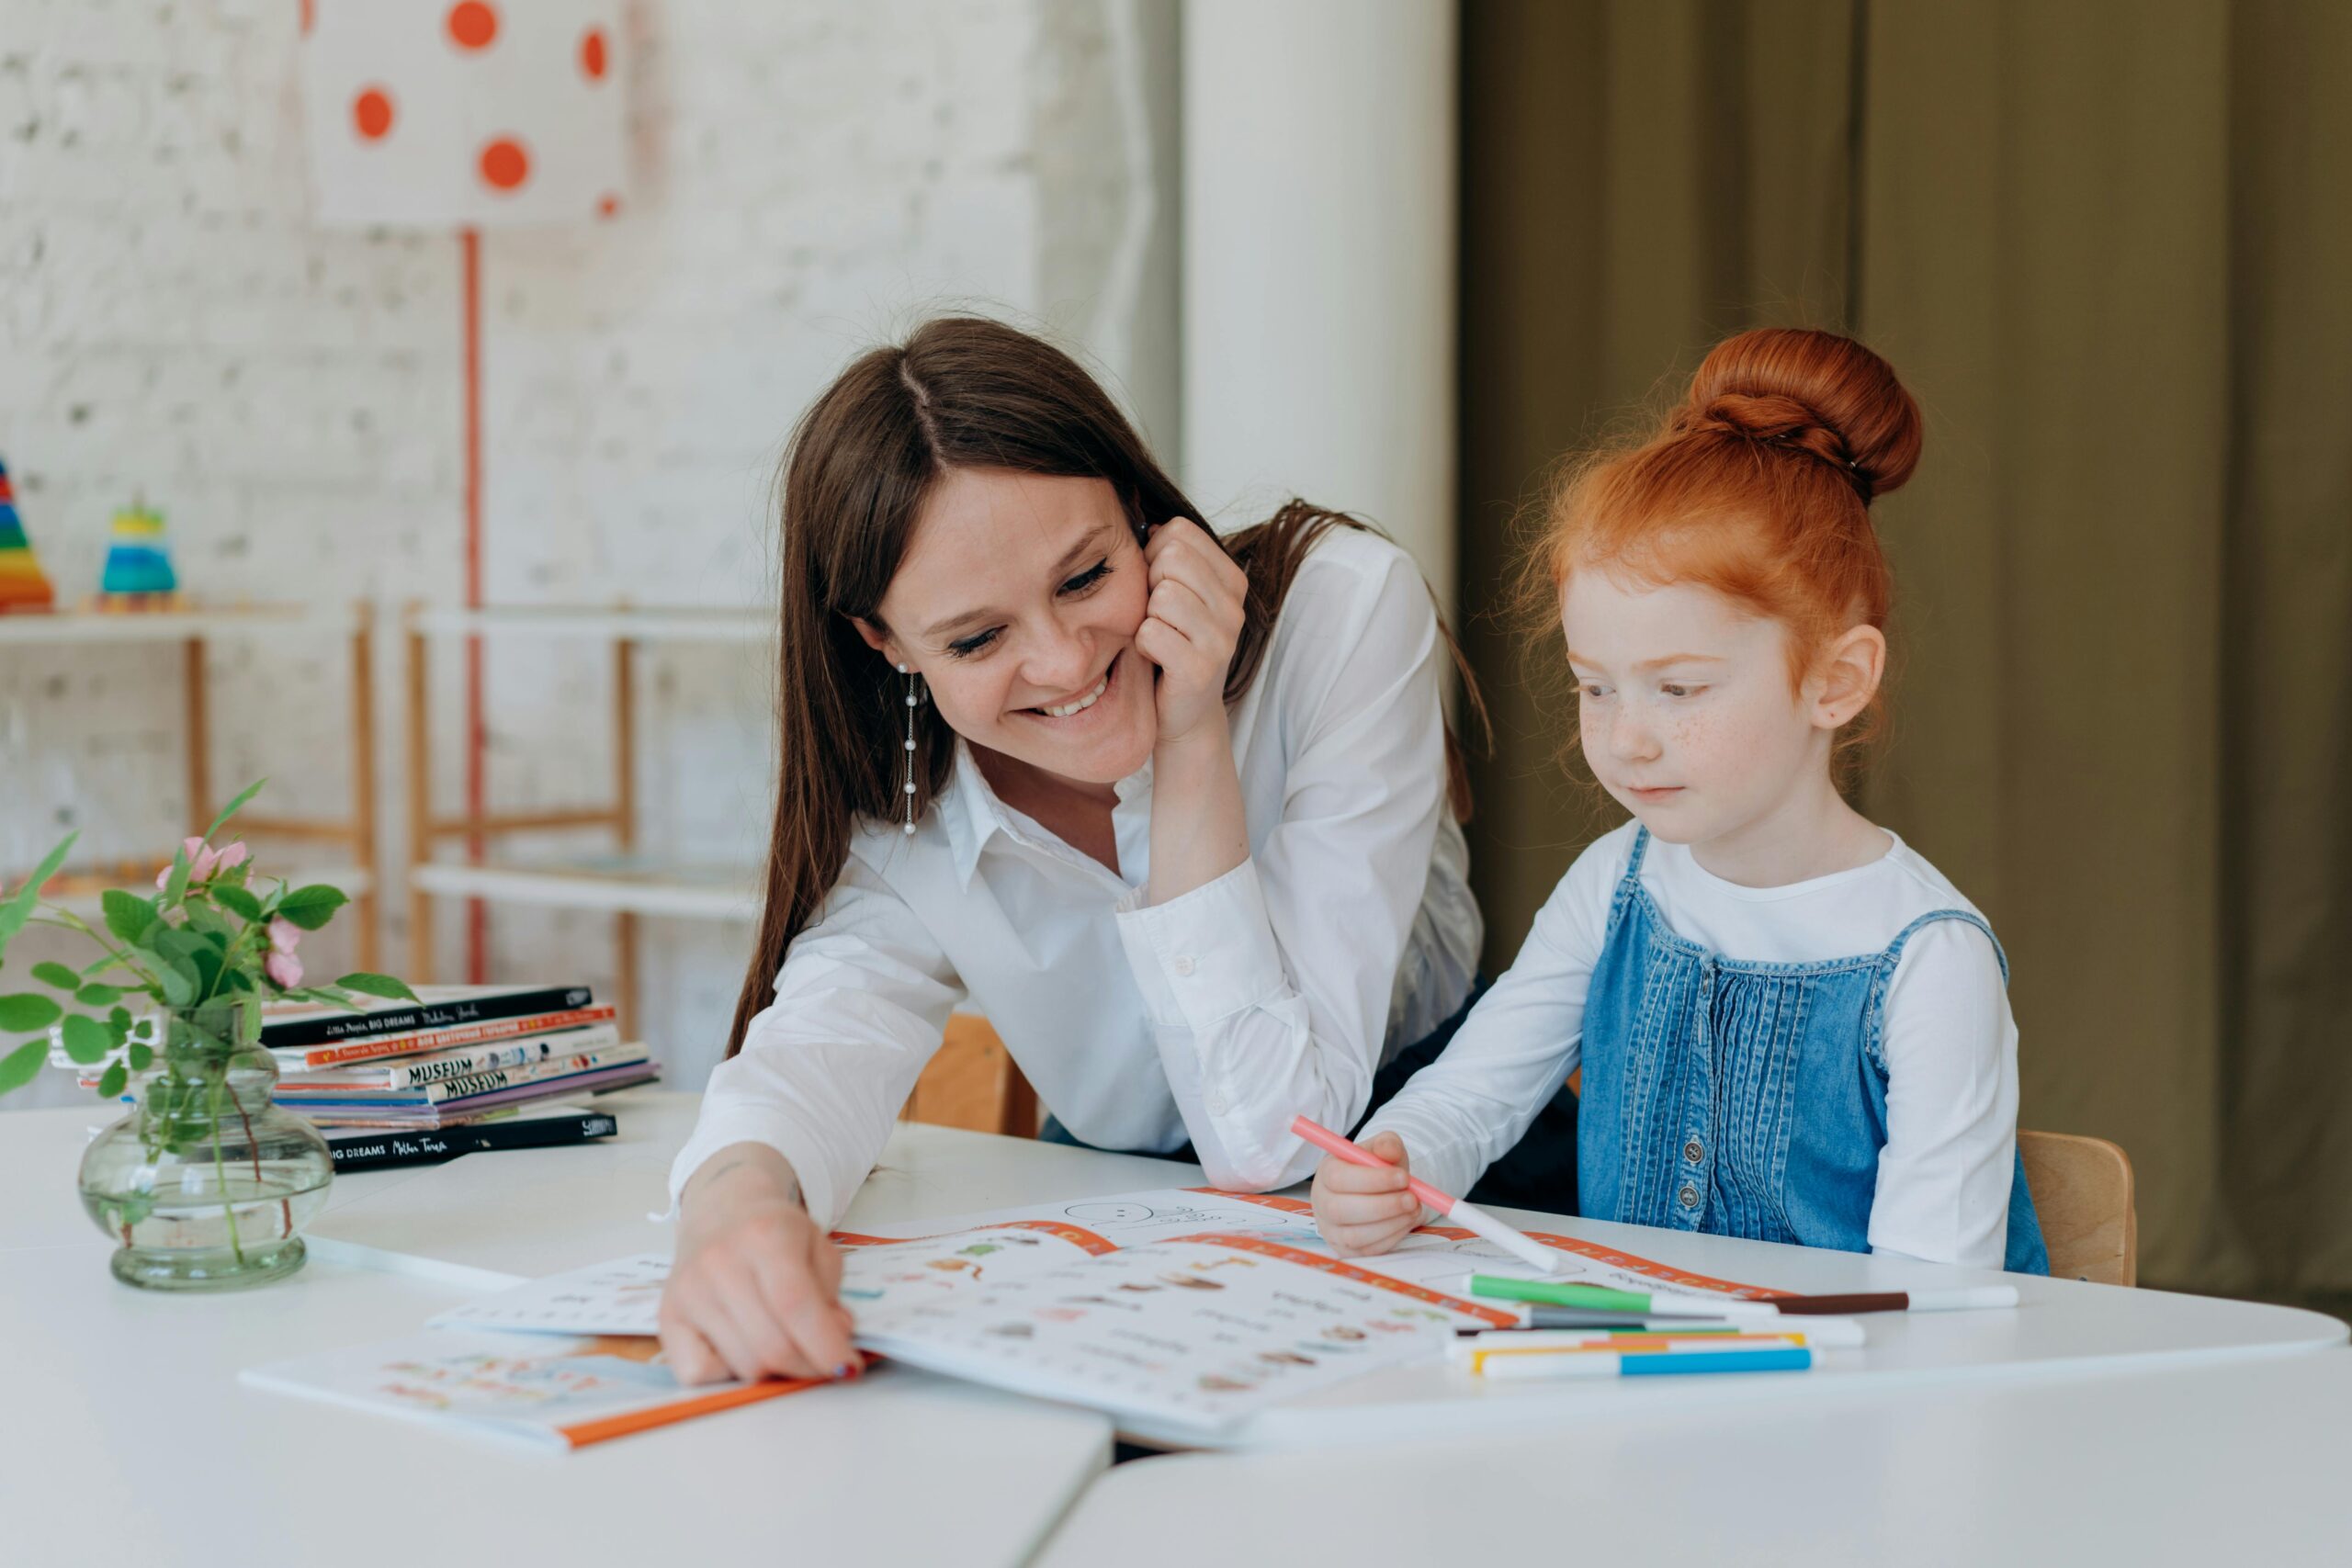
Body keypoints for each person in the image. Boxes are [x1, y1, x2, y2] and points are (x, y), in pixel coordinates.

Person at [659, 316, 1487, 1383]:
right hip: (1121, 1237)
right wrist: (730, 1213)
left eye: (1086, 577)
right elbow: (818, 1047)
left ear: (1139, 510)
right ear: (885, 644)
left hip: (1428, 1182)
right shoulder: (902, 809)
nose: (1060, 661)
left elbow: (1276, 1141)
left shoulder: (1338, 611)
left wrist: (1189, 738)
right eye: (975, 639)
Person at [1313, 327, 2050, 1276]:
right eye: (1595, 686)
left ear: (1834, 680)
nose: (1626, 738)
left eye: (1680, 690)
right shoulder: (1614, 882)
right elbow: (1473, 1097)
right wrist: (1393, 1162)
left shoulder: (1930, 961)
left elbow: (1925, 1301)